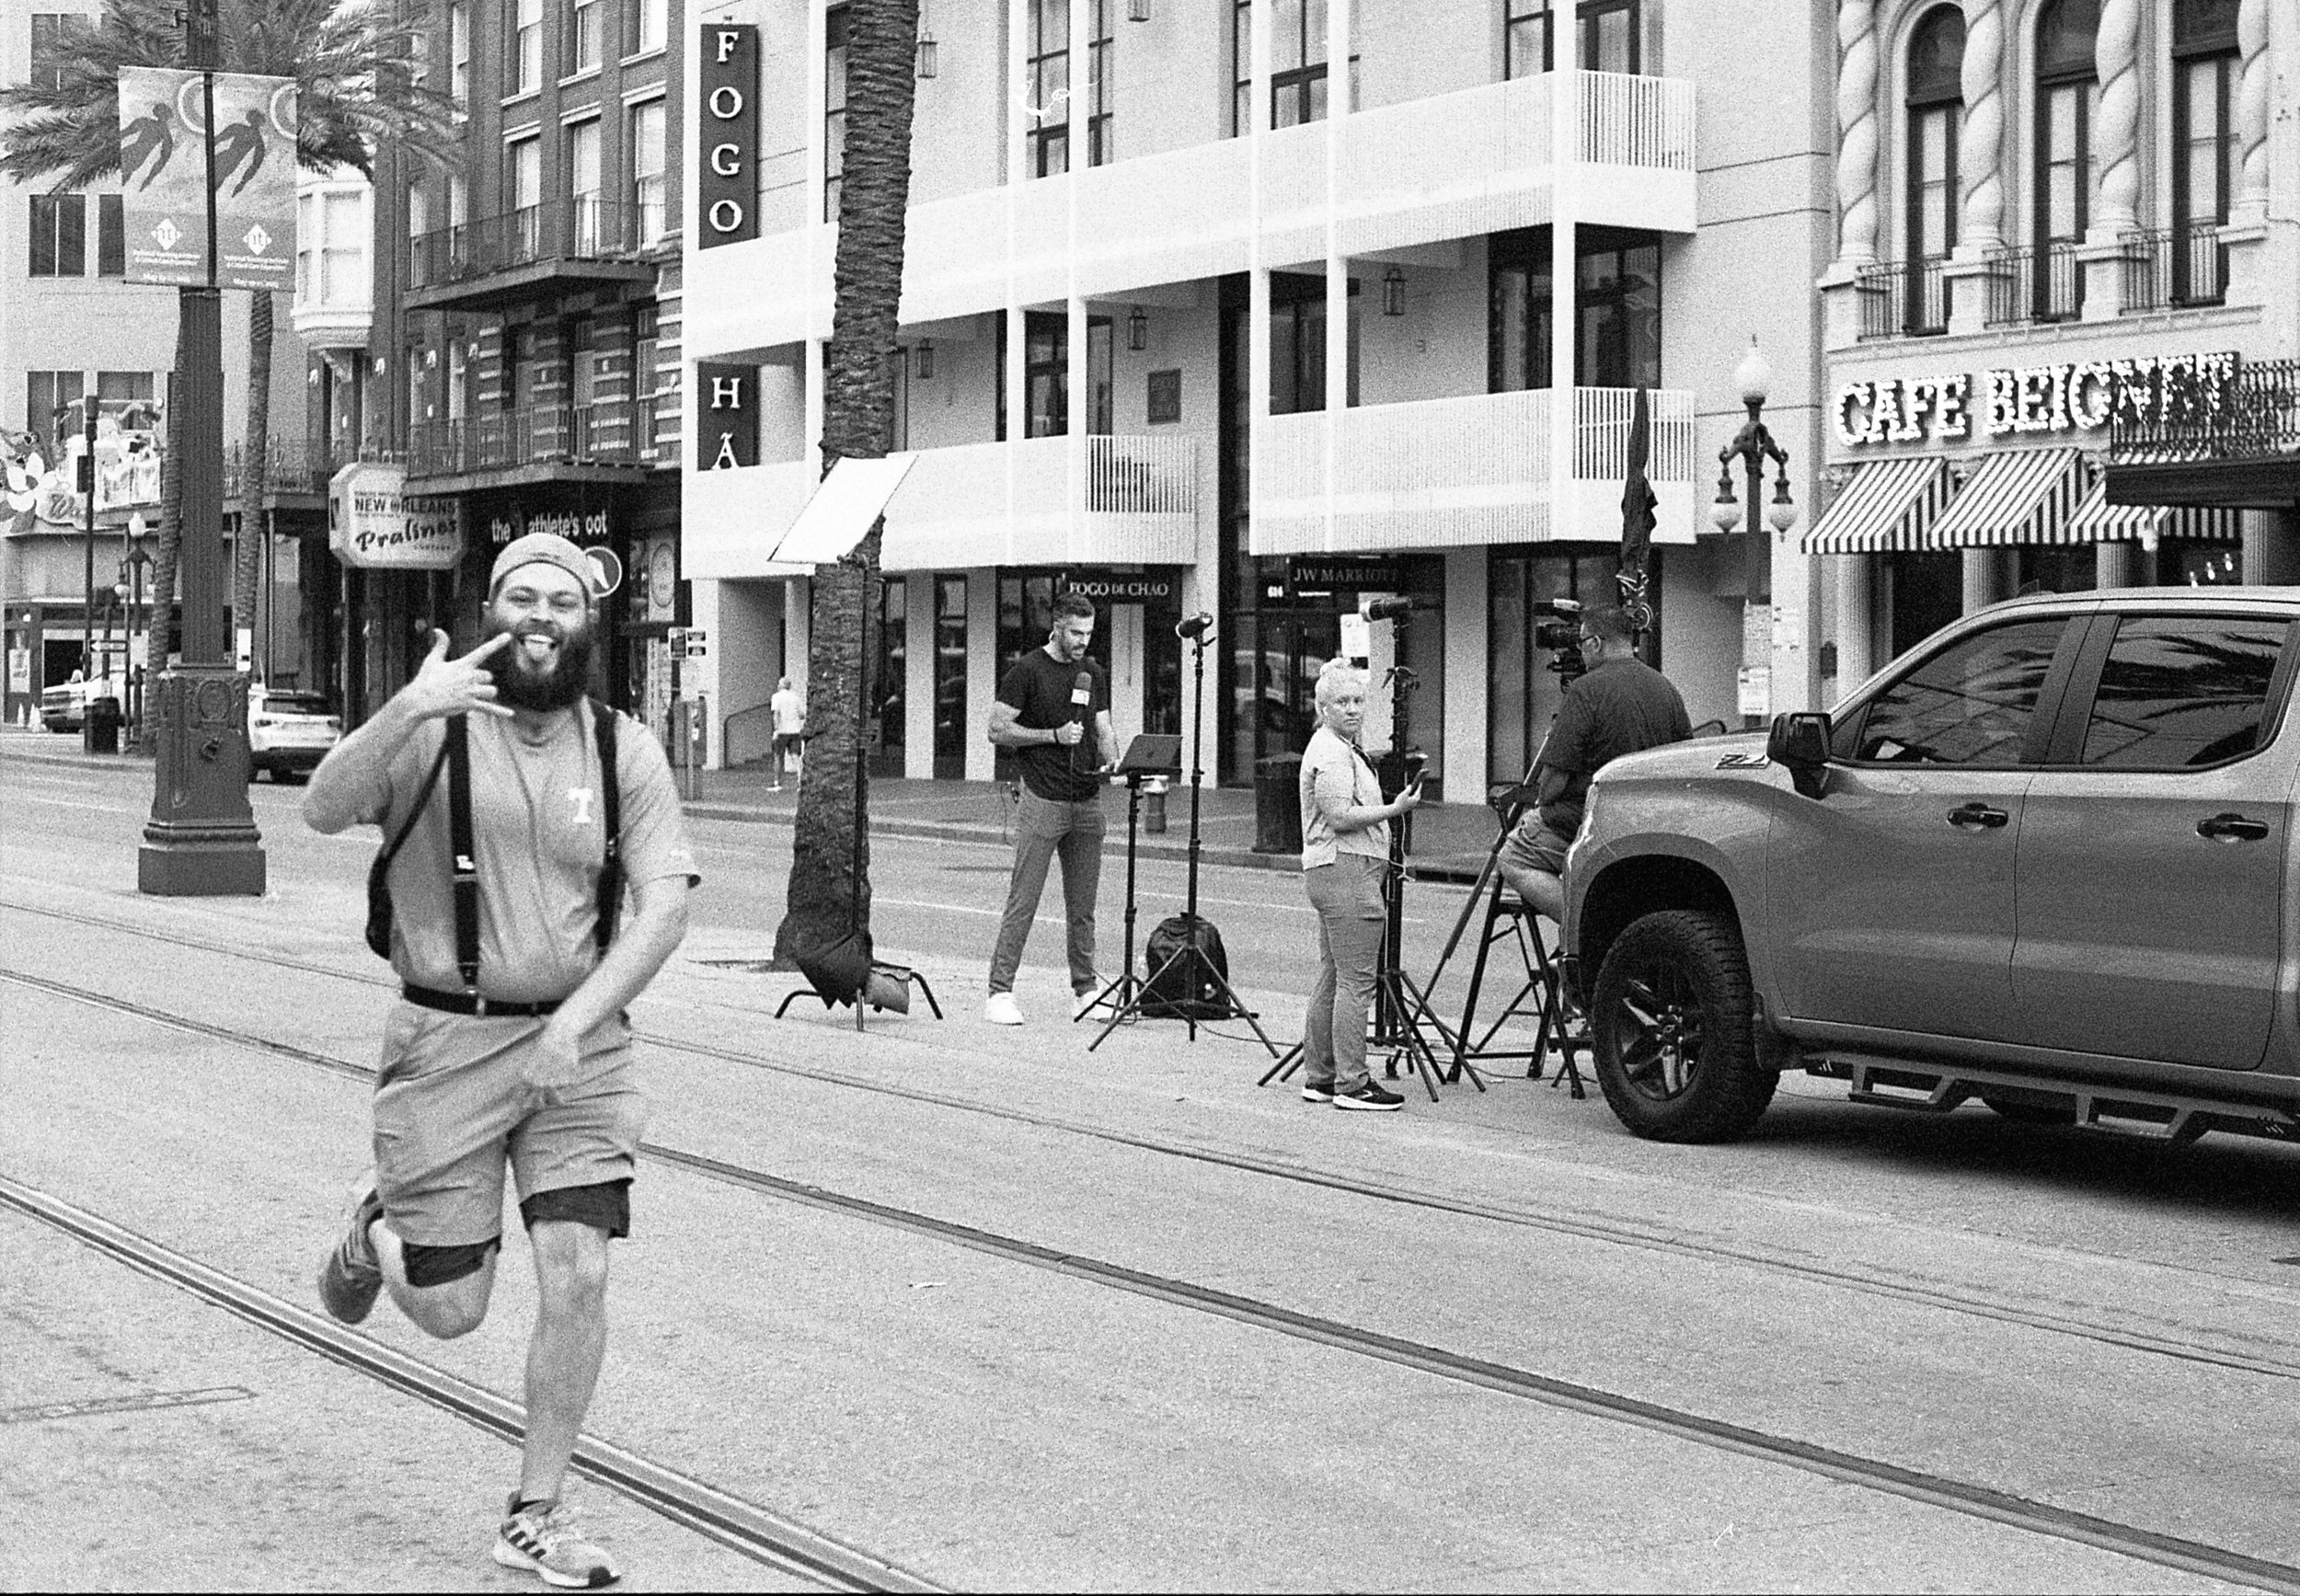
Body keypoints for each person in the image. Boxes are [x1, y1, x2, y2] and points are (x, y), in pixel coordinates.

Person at [304, 531, 697, 1590]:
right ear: (491, 612)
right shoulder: (433, 726)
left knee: (580, 1269)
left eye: (560, 601)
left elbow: (664, 908)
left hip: (581, 1046)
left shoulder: (622, 748)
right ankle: (375, 1227)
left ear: (587, 624)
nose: (539, 616)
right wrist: (405, 708)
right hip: (446, 1037)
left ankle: (536, 1512)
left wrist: (578, 1021)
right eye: (521, 596)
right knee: (451, 1311)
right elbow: (322, 807)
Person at [1497, 604, 1691, 925]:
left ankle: (1588, 929)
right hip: (1650, 820)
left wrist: (1541, 804)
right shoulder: (1665, 688)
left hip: (1589, 819)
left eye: (1582, 642)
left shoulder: (1586, 689)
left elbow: (1554, 778)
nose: (1580, 651)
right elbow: (1682, 758)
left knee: (1514, 857)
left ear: (1597, 643)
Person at [984, 591, 1117, 1025]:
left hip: (1086, 798)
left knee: (1083, 907)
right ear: (1057, 627)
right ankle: (999, 992)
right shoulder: (1027, 670)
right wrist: (1051, 736)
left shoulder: (1092, 672)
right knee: (1024, 899)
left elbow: (1103, 726)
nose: (1083, 641)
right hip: (1043, 797)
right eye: (1075, 633)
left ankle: (1085, 990)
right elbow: (997, 729)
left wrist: (1114, 761)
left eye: (1089, 633)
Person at [1296, 658, 1420, 1112]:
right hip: (1347, 871)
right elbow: (1340, 816)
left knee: (1333, 975)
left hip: (1333, 870)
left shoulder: (1336, 747)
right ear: (1322, 708)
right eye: (1341, 702)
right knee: (1356, 980)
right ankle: (1352, 1083)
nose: (1352, 709)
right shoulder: (1332, 751)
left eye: (1358, 700)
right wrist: (1395, 809)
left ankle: (1321, 1077)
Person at [768, 675, 804, 792]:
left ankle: (777, 782)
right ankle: (800, 781)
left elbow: (776, 714)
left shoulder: (776, 697)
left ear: (781, 686)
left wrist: (776, 730)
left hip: (782, 731)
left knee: (778, 756)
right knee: (795, 756)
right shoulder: (795, 697)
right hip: (795, 731)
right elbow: (801, 715)